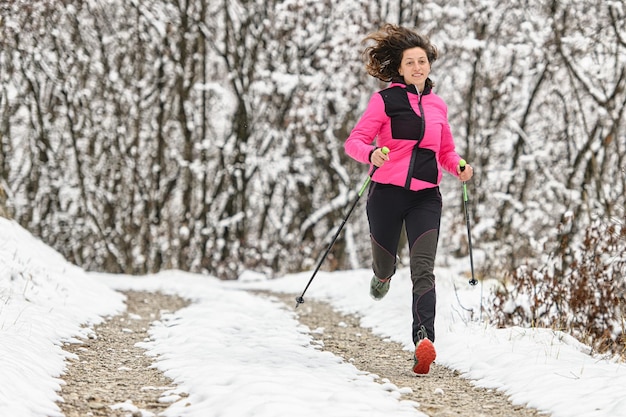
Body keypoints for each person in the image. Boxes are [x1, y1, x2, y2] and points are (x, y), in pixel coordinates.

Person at [344, 24, 474, 375]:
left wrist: (458, 166)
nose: (418, 67)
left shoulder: (438, 105)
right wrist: (371, 154)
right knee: (386, 265)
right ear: (399, 69)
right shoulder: (384, 101)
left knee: (423, 270)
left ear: (429, 64)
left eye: (422, 61)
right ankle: (382, 277)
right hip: (386, 194)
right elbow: (354, 141)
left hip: (425, 198)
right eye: (410, 62)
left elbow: (444, 151)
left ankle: (423, 340)